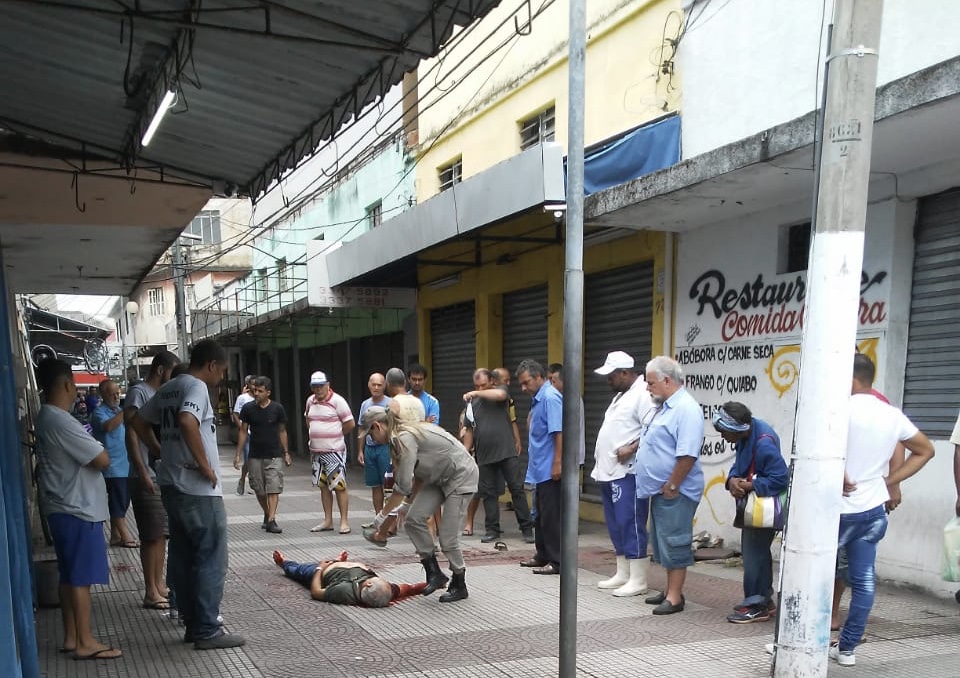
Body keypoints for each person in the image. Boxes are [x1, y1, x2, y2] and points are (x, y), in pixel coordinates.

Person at [130, 339, 245, 650]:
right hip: (197, 490)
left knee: (183, 555)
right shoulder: (196, 387)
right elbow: (186, 420)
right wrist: (205, 466)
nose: (221, 377)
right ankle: (207, 628)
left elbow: (138, 420)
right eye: (222, 371)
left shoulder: (169, 388)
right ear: (211, 365)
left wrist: (159, 450)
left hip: (171, 484)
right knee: (211, 557)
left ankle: (190, 622)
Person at [829, 354, 934, 667]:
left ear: (850, 379)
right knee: (863, 582)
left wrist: (837, 473)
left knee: (815, 574)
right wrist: (888, 481)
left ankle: (803, 641)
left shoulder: (836, 409)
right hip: (872, 510)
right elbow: (925, 450)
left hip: (835, 510)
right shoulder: (891, 414)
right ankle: (847, 650)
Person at [35, 359, 121, 660]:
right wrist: (100, 448)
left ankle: (72, 637)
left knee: (70, 575)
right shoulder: (61, 421)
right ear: (67, 385)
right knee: (81, 578)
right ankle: (85, 641)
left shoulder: (46, 417)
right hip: (77, 507)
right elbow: (101, 459)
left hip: (63, 506)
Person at [361, 395, 479, 603]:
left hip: (461, 476)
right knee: (414, 520)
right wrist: (405, 506)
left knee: (448, 539)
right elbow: (417, 477)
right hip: (439, 477)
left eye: (370, 433)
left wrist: (381, 517)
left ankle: (459, 582)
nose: (371, 439)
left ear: (378, 426)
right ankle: (434, 573)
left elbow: (402, 487)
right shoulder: (398, 438)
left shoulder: (404, 438)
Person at [635, 356, 705, 615]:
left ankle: (674, 597)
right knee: (662, 541)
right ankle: (669, 590)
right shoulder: (663, 406)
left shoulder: (686, 409)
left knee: (675, 541)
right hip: (661, 490)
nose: (647, 387)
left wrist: (673, 485)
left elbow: (687, 455)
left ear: (667, 380)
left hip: (677, 491)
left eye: (651, 382)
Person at [715, 401, 789, 623]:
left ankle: (756, 605)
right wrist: (732, 480)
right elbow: (740, 466)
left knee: (753, 556)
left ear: (738, 429)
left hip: (761, 511)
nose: (722, 437)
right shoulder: (749, 433)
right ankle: (764, 599)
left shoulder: (763, 444)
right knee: (760, 554)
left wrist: (748, 485)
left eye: (724, 432)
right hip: (755, 508)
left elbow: (780, 479)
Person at [592, 351, 656, 597]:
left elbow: (652, 428)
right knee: (615, 523)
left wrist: (632, 448)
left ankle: (638, 578)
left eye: (611, 375)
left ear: (625, 373)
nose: (608, 380)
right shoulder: (621, 395)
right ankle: (623, 571)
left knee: (630, 522)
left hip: (628, 472)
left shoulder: (642, 394)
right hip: (609, 471)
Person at [124, 350, 180, 611]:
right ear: (160, 370)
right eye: (172, 371)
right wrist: (143, 471)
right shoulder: (139, 393)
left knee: (160, 535)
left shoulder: (161, 395)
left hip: (159, 473)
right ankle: (150, 590)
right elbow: (132, 434)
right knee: (151, 535)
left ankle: (159, 585)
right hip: (145, 474)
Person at [462, 368, 534, 544]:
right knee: (488, 494)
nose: (479, 389)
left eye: (483, 385)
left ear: (492, 382)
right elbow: (469, 429)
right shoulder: (472, 404)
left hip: (506, 452)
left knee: (516, 489)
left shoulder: (500, 393)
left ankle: (526, 529)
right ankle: (492, 529)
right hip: (484, 455)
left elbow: (501, 395)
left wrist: (476, 393)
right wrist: (465, 452)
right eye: (476, 386)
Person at [516, 359, 563, 576]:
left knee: (551, 516)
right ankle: (542, 554)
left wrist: (557, 462)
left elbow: (558, 432)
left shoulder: (550, 397)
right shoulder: (538, 399)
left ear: (539, 377)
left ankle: (557, 560)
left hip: (549, 468)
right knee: (540, 515)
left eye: (526, 382)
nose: (523, 388)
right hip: (539, 468)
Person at [234, 376, 292, 534]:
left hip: (274, 454)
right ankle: (267, 513)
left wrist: (286, 452)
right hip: (255, 455)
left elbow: (282, 431)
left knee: (273, 487)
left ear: (268, 392)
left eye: (260, 391)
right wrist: (238, 454)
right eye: (255, 391)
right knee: (259, 489)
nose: (256, 394)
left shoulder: (277, 408)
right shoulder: (248, 409)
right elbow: (243, 431)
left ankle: (271, 519)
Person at [272, 549, 427, 606]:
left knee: (297, 571)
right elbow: (407, 589)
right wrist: (424, 586)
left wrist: (320, 568)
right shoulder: (385, 592)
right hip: (341, 567)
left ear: (368, 585)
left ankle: (284, 562)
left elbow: (316, 592)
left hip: (322, 572)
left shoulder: (343, 591)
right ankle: (338, 560)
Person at [303, 370, 355, 534]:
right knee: (323, 486)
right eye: (315, 386)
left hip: (334, 451)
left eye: (320, 386)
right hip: (316, 451)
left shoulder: (338, 401)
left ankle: (344, 521)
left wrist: (335, 435)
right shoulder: (310, 401)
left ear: (327, 385)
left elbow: (350, 423)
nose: (318, 389)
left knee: (339, 485)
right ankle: (328, 520)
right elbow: (308, 420)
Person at [90, 379, 137, 549]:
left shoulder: (117, 410)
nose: (117, 397)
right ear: (103, 395)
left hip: (125, 464)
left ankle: (115, 536)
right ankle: (125, 535)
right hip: (112, 466)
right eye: (112, 394)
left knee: (124, 501)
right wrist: (126, 412)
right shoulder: (99, 413)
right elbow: (108, 427)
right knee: (117, 501)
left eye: (118, 393)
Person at [358, 373, 391, 523]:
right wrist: (360, 450)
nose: (376, 387)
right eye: (374, 384)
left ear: (385, 386)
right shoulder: (365, 404)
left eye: (379, 385)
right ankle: (378, 519)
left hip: (385, 448)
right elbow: (361, 427)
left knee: (388, 484)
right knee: (375, 485)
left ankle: (390, 520)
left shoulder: (391, 403)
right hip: (370, 448)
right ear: (369, 385)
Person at [546, 363, 586, 467]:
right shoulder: (558, 397)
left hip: (570, 457)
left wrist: (557, 460)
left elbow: (562, 429)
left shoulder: (571, 398)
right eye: (549, 380)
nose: (550, 384)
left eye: (553, 380)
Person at [232, 376, 255, 496]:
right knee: (248, 459)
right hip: (247, 433)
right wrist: (241, 427)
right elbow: (235, 414)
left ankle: (254, 482)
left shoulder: (260, 398)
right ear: (248, 385)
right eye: (252, 384)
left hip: (258, 433)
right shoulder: (242, 398)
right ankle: (242, 479)